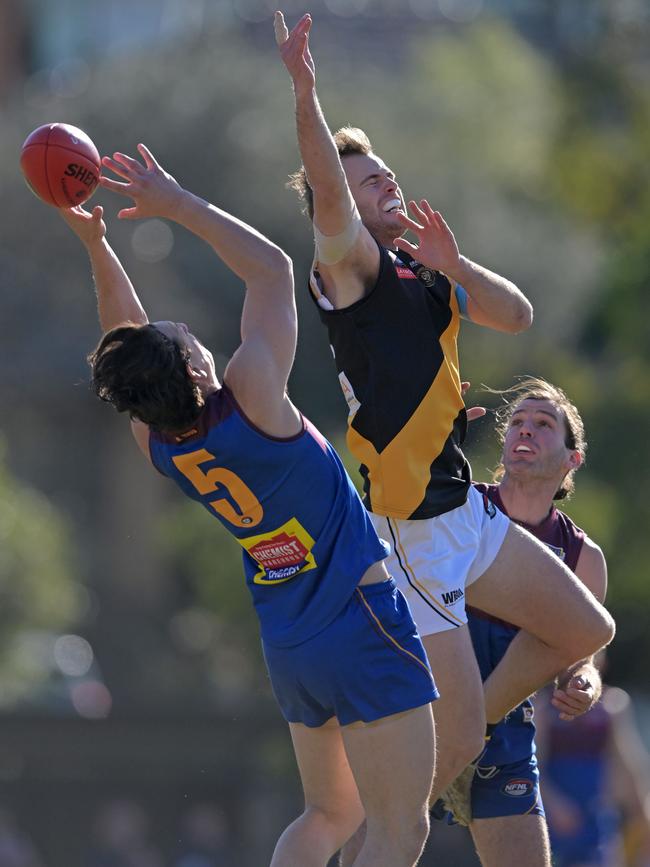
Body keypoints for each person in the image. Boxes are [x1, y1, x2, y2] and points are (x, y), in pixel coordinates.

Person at [274, 8, 615, 828]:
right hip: (411, 529)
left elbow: (519, 314)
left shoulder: (421, 270)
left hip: (463, 506)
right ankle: (371, 830)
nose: (385, 182)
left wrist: (455, 263)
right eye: (369, 180)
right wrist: (305, 90)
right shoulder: (349, 268)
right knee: (446, 750)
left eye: (387, 172)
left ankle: (412, 787)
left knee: (584, 627)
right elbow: (325, 184)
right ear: (343, 207)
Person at [58, 143, 437, 867]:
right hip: (357, 619)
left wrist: (99, 249)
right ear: (199, 365)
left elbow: (125, 337)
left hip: (291, 641)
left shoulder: (163, 443)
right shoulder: (252, 392)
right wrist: (177, 203)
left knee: (328, 813)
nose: (177, 326)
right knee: (402, 828)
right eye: (180, 335)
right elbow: (271, 267)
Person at [440, 377, 608, 866]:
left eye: (543, 424)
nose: (524, 430)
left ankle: (473, 738)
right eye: (516, 422)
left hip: (506, 737)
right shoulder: (460, 506)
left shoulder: (583, 556)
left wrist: (583, 684)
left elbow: (583, 659)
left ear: (572, 458)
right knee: (375, 840)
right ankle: (463, 737)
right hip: (425, 710)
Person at [535, 653, 650, 867]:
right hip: (556, 815)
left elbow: (627, 760)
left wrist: (642, 811)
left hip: (596, 812)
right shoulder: (544, 706)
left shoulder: (613, 704)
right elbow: (532, 764)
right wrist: (553, 804)